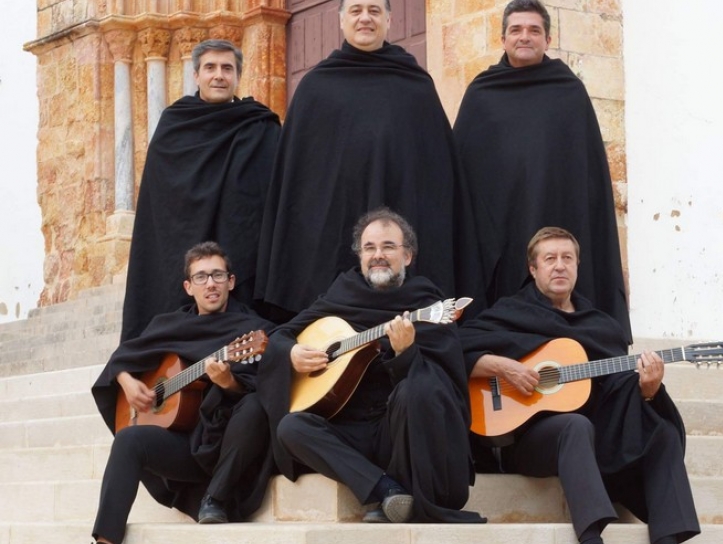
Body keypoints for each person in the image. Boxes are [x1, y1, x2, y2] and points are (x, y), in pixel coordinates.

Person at [458, 227, 700, 544]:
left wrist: (648, 390)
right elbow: (455, 346)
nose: (560, 265)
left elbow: (618, 389)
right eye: (550, 259)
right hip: (531, 440)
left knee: (662, 432)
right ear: (533, 269)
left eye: (567, 258)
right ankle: (590, 537)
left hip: (599, 437)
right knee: (575, 425)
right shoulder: (511, 313)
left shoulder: (600, 326)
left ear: (577, 266)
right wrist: (500, 365)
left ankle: (668, 537)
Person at [254, 0, 491, 322]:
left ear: (389, 20)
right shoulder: (315, 88)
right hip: (330, 237)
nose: (365, 18)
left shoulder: (416, 86)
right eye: (356, 10)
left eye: (374, 10)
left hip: (403, 227)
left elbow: (437, 175)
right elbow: (298, 183)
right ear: (341, 21)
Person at [256, 208, 484, 523]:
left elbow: (441, 387)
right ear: (360, 256)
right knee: (291, 428)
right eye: (370, 248)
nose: (378, 255)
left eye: (388, 246)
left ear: (407, 256)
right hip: (349, 431)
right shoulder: (340, 294)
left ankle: (408, 493)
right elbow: (281, 334)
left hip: (400, 433)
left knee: (415, 390)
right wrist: (291, 352)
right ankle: (386, 490)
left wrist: (405, 355)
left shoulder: (426, 303)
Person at [452, 0, 631, 341]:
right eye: (516, 30)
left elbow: (587, 175)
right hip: (499, 229)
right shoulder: (481, 94)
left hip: (558, 218)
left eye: (534, 30)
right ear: (502, 39)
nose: (525, 37)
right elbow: (462, 172)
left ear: (548, 39)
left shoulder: (569, 92)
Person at [91, 242, 276, 544]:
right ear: (189, 287)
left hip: (224, 448)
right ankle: (105, 541)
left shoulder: (251, 330)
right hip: (181, 447)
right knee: (128, 440)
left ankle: (215, 498)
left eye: (218, 275)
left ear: (231, 282)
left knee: (255, 404)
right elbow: (124, 357)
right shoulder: (169, 325)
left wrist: (230, 384)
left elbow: (268, 385)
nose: (211, 284)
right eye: (201, 277)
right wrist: (125, 380)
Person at [121, 39, 281, 341]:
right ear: (196, 76)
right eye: (210, 68)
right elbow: (160, 200)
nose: (218, 75)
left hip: (243, 255)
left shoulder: (260, 124)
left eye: (227, 68)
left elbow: (276, 193)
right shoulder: (174, 123)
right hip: (183, 251)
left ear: (237, 76)